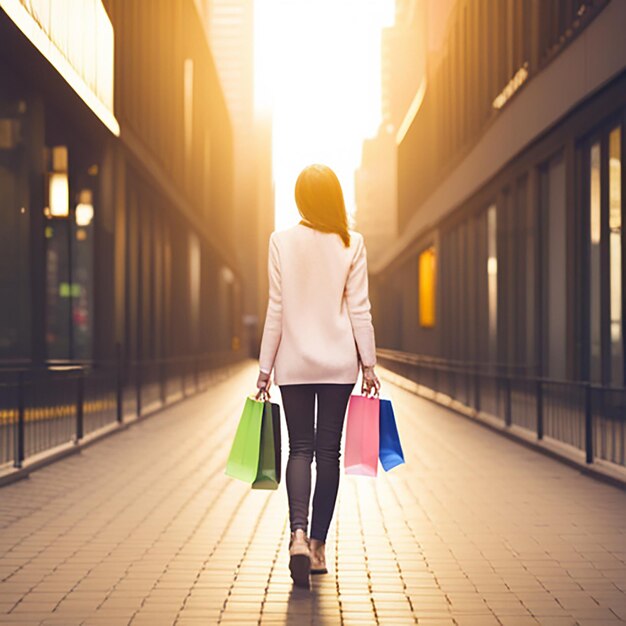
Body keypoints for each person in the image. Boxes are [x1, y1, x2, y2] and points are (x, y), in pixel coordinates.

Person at [256, 163, 380, 588]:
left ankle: (297, 534)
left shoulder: (281, 242)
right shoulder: (352, 243)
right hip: (337, 364)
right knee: (329, 453)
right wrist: (369, 364)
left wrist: (263, 369)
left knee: (299, 450)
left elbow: (276, 308)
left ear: (300, 200)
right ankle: (318, 549)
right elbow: (360, 309)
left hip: (293, 364)